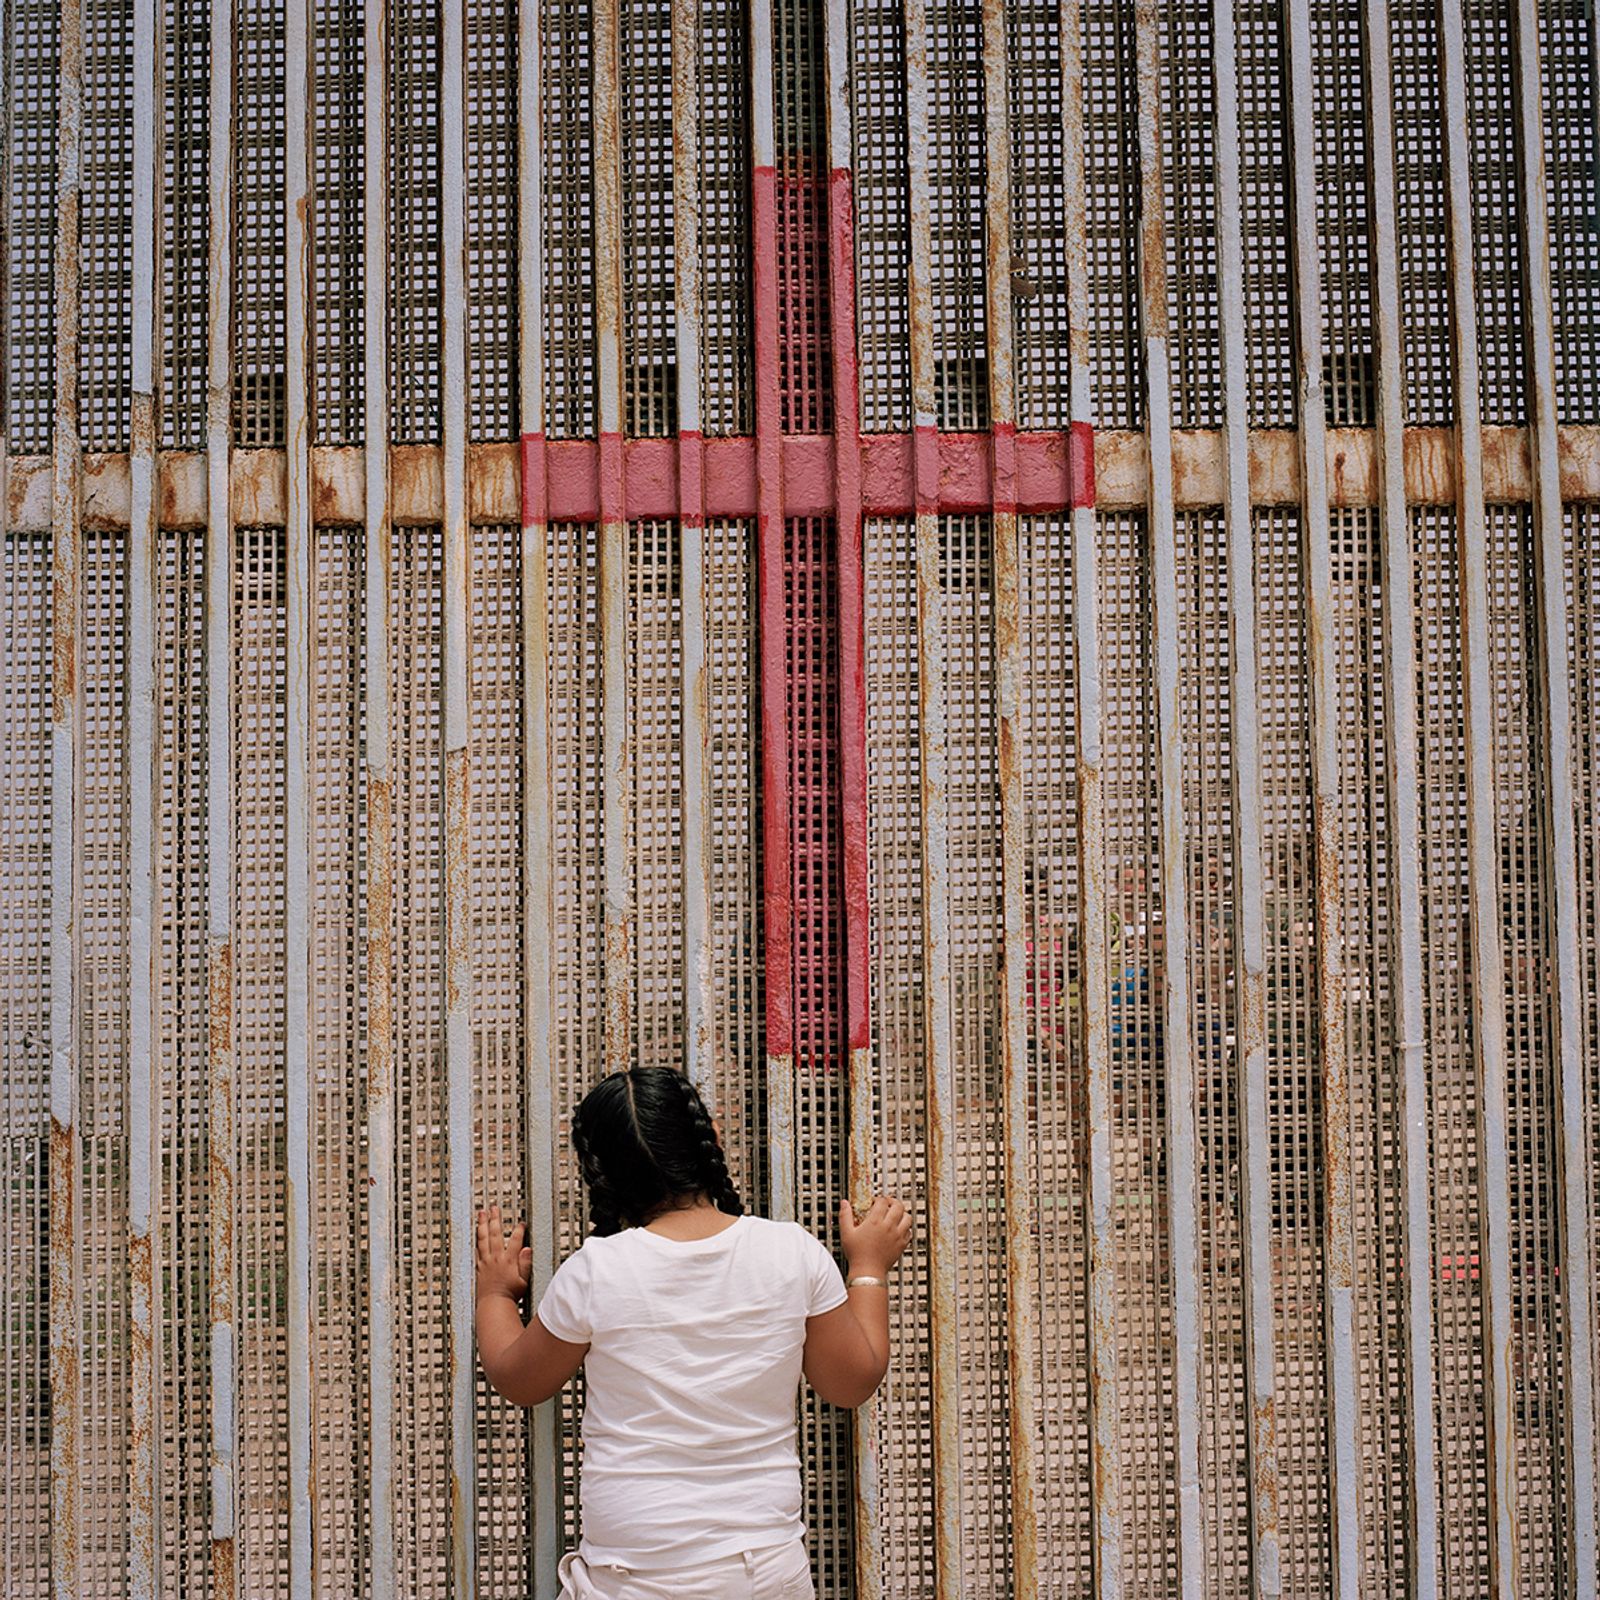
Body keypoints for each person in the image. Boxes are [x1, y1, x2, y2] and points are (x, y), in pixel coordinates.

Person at [474, 1065, 914, 1600]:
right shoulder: (791, 1252)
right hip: (763, 1569)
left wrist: (495, 1294)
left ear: (602, 1175)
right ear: (711, 1141)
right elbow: (851, 1382)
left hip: (635, 1575)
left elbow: (519, 1380)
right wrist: (868, 1267)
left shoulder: (598, 1270)